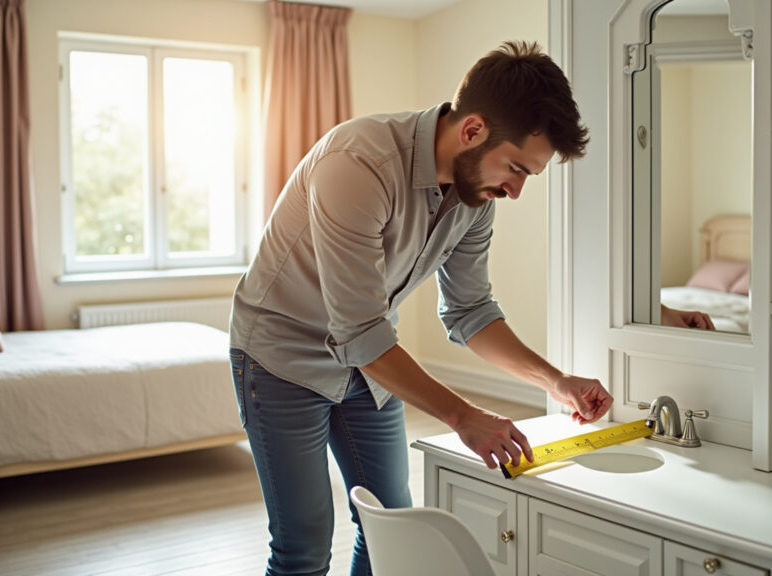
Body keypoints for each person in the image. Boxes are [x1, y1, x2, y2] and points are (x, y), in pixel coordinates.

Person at [229, 40, 708, 576]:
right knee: (304, 546)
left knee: (390, 525)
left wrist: (556, 381)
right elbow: (360, 335)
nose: (517, 190)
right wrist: (464, 416)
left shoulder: (475, 194)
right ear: (473, 130)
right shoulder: (356, 165)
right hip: (279, 358)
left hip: (368, 361)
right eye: (517, 169)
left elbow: (470, 311)